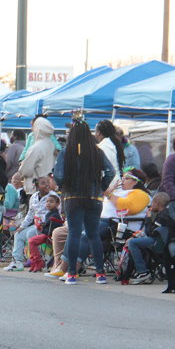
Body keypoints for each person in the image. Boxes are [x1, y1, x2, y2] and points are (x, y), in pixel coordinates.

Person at [53, 117, 115, 285]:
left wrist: (64, 187)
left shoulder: (67, 152)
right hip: (94, 198)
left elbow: (58, 175)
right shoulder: (97, 152)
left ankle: (72, 274)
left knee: (73, 233)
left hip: (73, 197)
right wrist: (101, 186)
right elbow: (111, 171)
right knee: (93, 234)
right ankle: (100, 274)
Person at [5, 176, 53, 271]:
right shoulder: (34, 197)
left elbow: (57, 212)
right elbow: (30, 214)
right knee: (18, 234)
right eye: (43, 183)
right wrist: (22, 227)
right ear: (37, 186)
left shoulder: (53, 196)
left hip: (48, 226)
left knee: (30, 234)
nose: (47, 185)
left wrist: (43, 223)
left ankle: (38, 259)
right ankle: (17, 261)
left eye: (47, 182)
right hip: (36, 225)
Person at [18, 116, 56, 195]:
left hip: (35, 189)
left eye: (33, 126)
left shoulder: (36, 147)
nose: (32, 129)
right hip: (47, 187)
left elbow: (26, 170)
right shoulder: (51, 145)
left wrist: (21, 166)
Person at [27, 193, 63, 273]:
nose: (48, 203)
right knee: (29, 241)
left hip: (51, 237)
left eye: (51, 202)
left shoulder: (55, 215)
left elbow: (51, 231)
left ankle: (38, 261)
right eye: (47, 201)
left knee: (31, 241)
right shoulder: (49, 214)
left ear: (57, 204)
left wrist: (42, 230)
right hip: (47, 235)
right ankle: (34, 262)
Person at [94, 119, 125, 186]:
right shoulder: (113, 145)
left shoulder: (103, 148)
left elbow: (104, 171)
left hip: (110, 187)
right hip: (117, 183)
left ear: (98, 132)